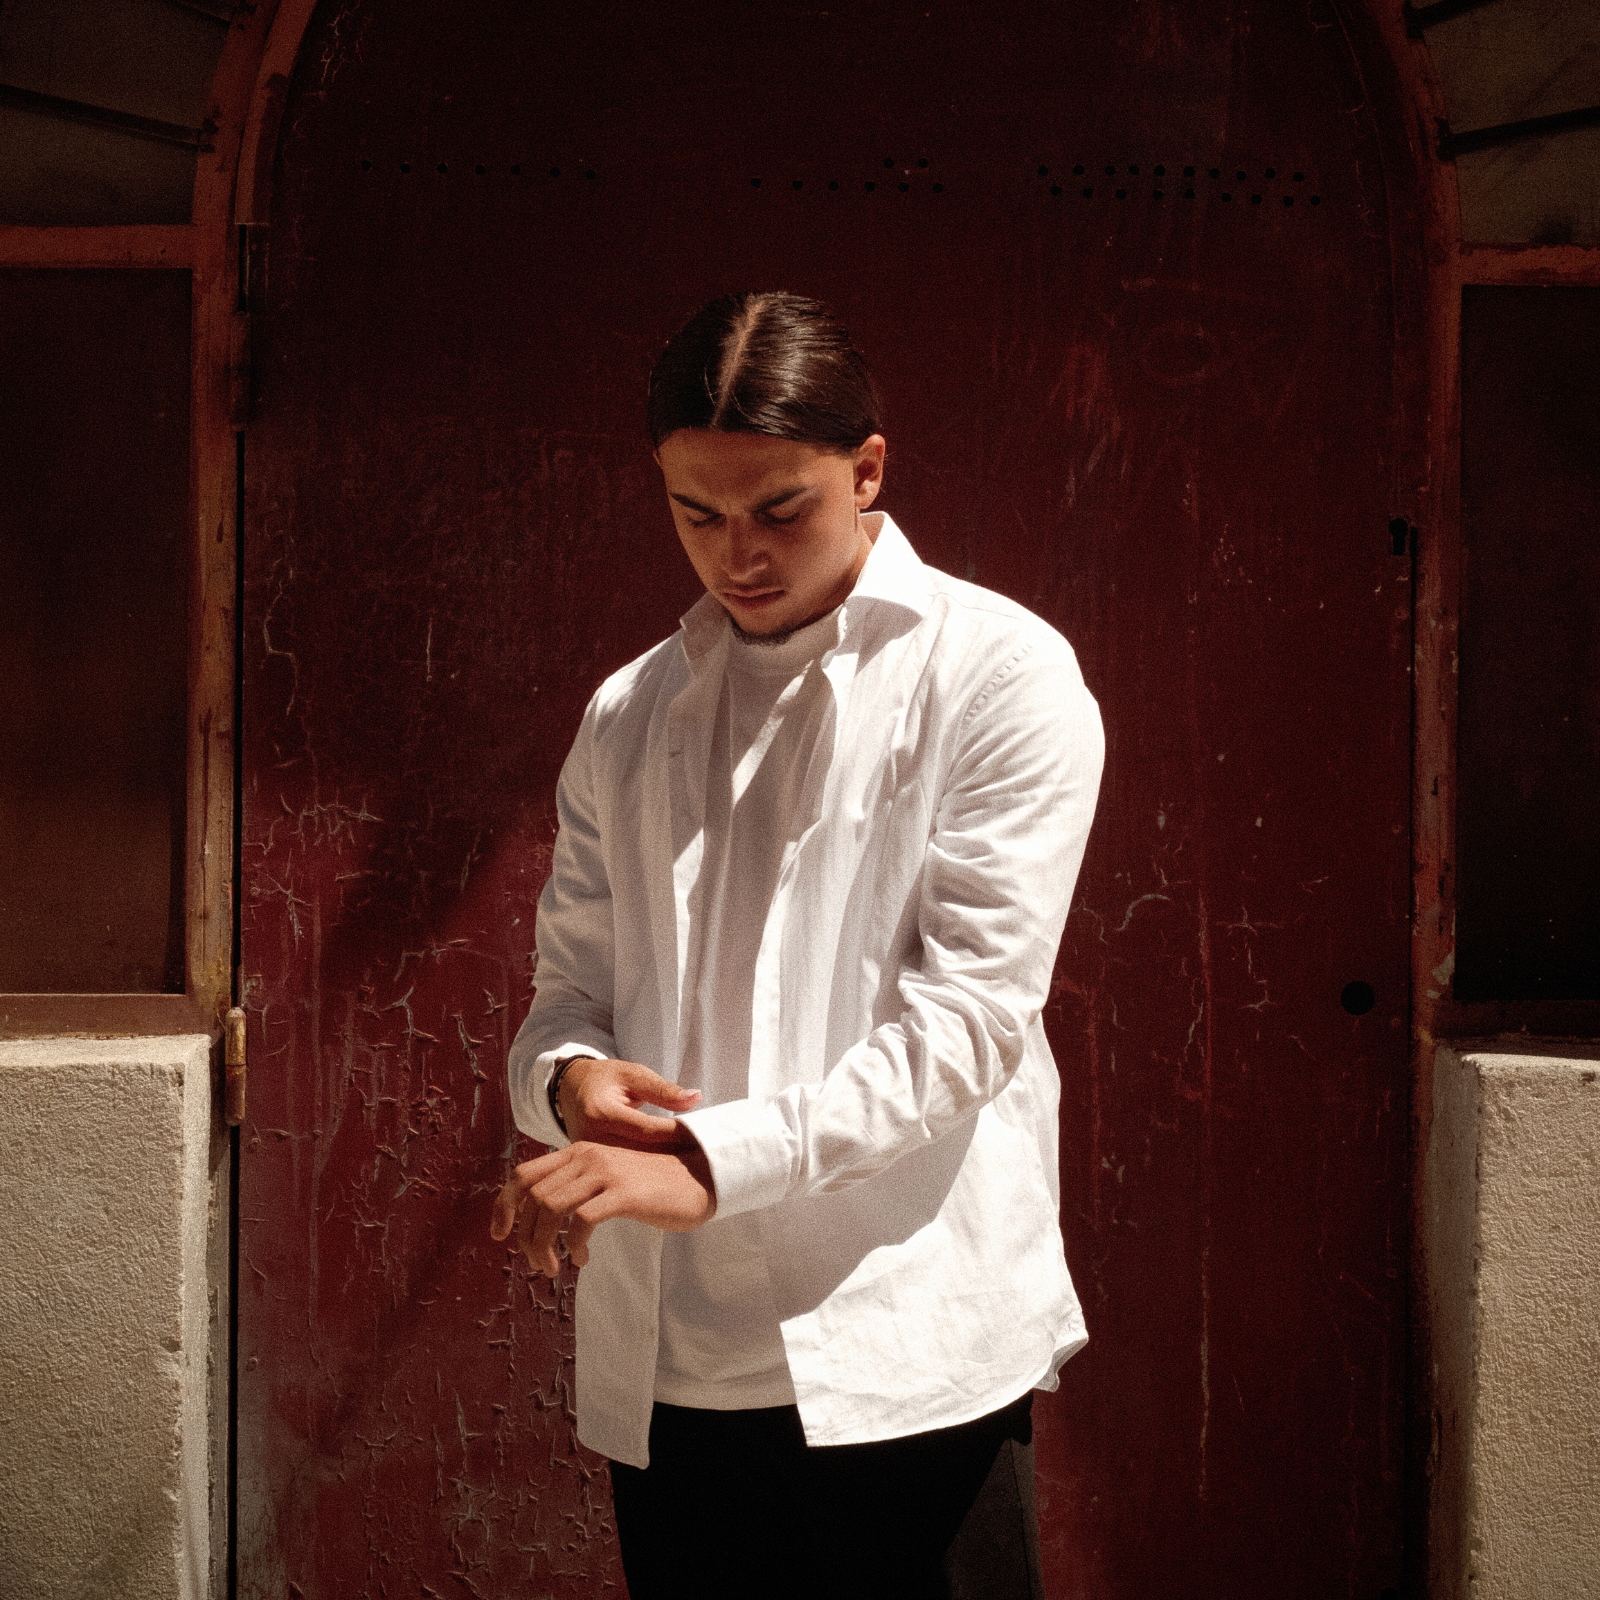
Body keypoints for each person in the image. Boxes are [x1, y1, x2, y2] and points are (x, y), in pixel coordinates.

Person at [491, 291, 1103, 1598]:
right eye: (695, 512)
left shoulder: (999, 675)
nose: (736, 554)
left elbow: (971, 1027)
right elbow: (567, 995)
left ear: (868, 468)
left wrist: (710, 1164)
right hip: (671, 1361)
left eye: (780, 508)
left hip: (905, 1350)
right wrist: (569, 1087)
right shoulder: (629, 711)